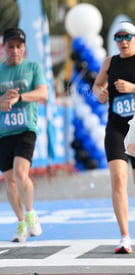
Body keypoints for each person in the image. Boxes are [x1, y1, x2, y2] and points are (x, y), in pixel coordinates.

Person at [92, 21, 135, 254]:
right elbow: (96, 85)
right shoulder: (110, 62)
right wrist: (100, 93)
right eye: (118, 37)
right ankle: (124, 236)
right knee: (119, 179)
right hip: (116, 128)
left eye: (127, 37)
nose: (122, 41)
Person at [0, 27, 48, 242]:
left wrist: (18, 98)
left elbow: (42, 93)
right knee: (9, 180)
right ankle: (21, 222)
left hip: (26, 128)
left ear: (24, 47)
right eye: (11, 46)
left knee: (21, 173)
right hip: (3, 132)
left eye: (19, 46)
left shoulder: (33, 67)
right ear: (4, 48)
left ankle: (30, 214)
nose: (15, 50)